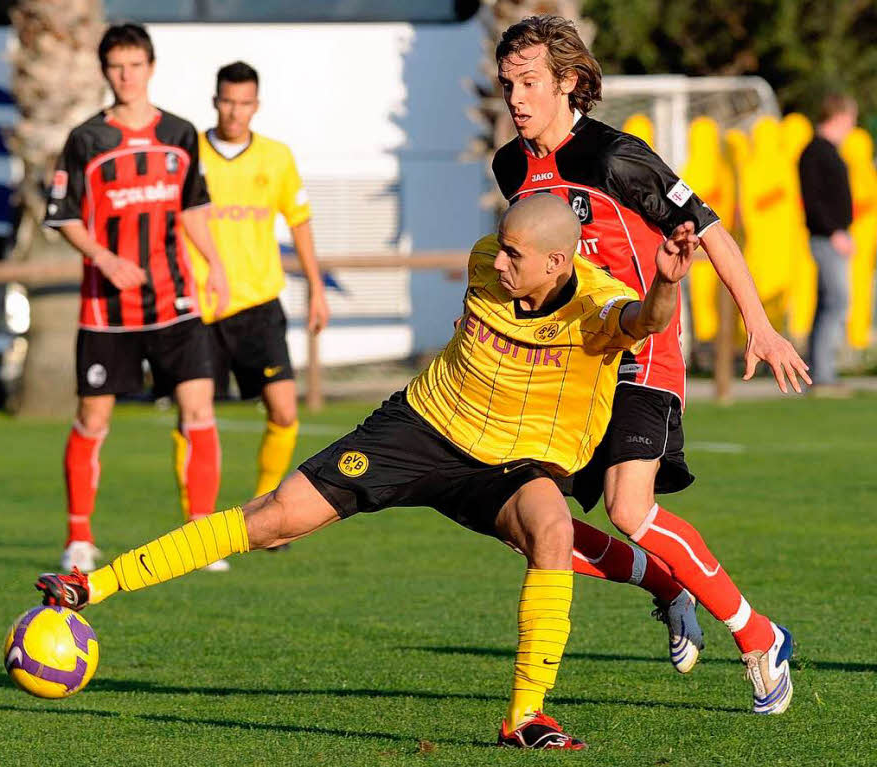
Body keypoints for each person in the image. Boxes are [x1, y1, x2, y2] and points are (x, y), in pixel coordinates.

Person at [38, 194, 698, 750]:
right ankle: (90, 585)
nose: (496, 260)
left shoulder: (599, 305)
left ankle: (525, 716)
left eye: (514, 255)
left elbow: (645, 320)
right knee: (274, 520)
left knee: (551, 527)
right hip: (421, 426)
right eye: (499, 245)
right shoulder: (484, 265)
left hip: (514, 463)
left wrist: (666, 281)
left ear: (560, 262)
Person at [489, 15, 807, 714]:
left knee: (631, 506)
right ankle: (666, 585)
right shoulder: (511, 166)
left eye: (530, 82)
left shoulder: (616, 158)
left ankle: (759, 637)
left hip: (641, 350)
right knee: (523, 519)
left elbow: (711, 226)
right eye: (508, 83)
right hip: (570, 364)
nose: (515, 97)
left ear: (569, 82)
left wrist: (759, 324)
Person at [44, 23, 229, 572]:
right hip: (108, 308)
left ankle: (200, 535)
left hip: (176, 301)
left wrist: (215, 265)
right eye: (116, 67)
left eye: (135, 65)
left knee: (198, 409)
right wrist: (105, 259)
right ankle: (79, 537)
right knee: (92, 418)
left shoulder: (180, 133)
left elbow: (193, 207)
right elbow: (64, 215)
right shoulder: (86, 139)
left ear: (150, 67)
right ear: (106, 72)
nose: (126, 76)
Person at [174, 61, 330, 567]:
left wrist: (316, 288)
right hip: (201, 306)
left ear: (255, 106)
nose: (234, 111)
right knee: (193, 416)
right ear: (214, 101)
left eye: (244, 103)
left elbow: (300, 222)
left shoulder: (277, 158)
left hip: (259, 306)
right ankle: (197, 528)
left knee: (285, 412)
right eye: (226, 101)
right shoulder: (189, 154)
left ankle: (263, 515)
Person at [798, 93, 857, 396]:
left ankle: (820, 370)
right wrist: (834, 230)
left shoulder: (829, 151)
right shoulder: (815, 152)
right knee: (836, 302)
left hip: (835, 236)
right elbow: (814, 200)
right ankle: (822, 373)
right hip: (826, 237)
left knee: (829, 303)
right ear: (839, 116)